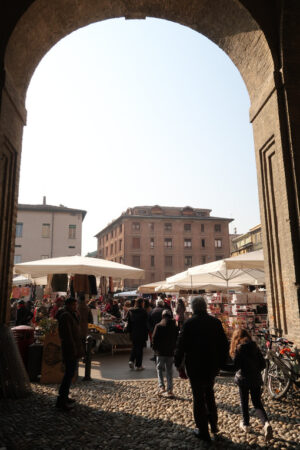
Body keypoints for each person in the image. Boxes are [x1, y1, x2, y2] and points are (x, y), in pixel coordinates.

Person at [174, 296, 229, 444]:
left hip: (195, 365)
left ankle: (203, 430)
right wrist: (222, 363)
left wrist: (177, 362)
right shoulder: (215, 322)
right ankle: (214, 424)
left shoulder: (189, 324)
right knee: (209, 393)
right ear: (205, 306)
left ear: (192, 307)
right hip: (211, 365)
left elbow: (181, 345)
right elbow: (224, 344)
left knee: (198, 397)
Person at [230, 328, 273, 441]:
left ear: (236, 338)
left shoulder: (239, 348)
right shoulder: (255, 347)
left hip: (243, 379)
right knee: (257, 403)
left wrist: (220, 367)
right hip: (255, 379)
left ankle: (246, 424)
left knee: (244, 401)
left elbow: (235, 367)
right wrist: (254, 371)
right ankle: (266, 424)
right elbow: (263, 364)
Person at [56, 297, 82, 411]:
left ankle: (64, 397)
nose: (76, 307)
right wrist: (73, 350)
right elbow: (68, 336)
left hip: (72, 348)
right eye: (74, 305)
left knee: (70, 374)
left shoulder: (70, 314)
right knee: (68, 374)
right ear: (69, 305)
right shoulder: (66, 316)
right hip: (70, 350)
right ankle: (61, 401)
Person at [152, 309, 179, 398]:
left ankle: (161, 387)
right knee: (169, 371)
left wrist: (155, 349)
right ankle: (170, 390)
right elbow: (177, 338)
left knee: (159, 369)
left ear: (162, 316)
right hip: (170, 352)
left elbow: (154, 339)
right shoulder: (174, 326)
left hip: (160, 352)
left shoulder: (158, 325)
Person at [126, 297, 148, 370]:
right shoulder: (144, 312)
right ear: (142, 303)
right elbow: (146, 323)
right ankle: (138, 365)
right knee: (139, 349)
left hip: (133, 332)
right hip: (141, 332)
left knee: (135, 347)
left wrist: (129, 331)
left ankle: (131, 360)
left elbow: (128, 322)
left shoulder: (130, 311)